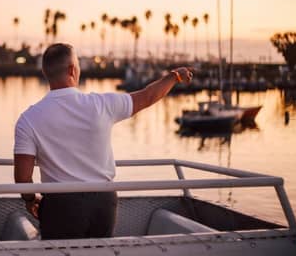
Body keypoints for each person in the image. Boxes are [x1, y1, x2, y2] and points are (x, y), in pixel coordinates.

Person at [14, 43, 193, 240]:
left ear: (45, 72)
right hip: (103, 202)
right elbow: (148, 96)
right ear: (73, 69)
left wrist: (31, 200)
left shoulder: (28, 119)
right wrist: (174, 76)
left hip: (60, 204)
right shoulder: (102, 104)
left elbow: (23, 179)